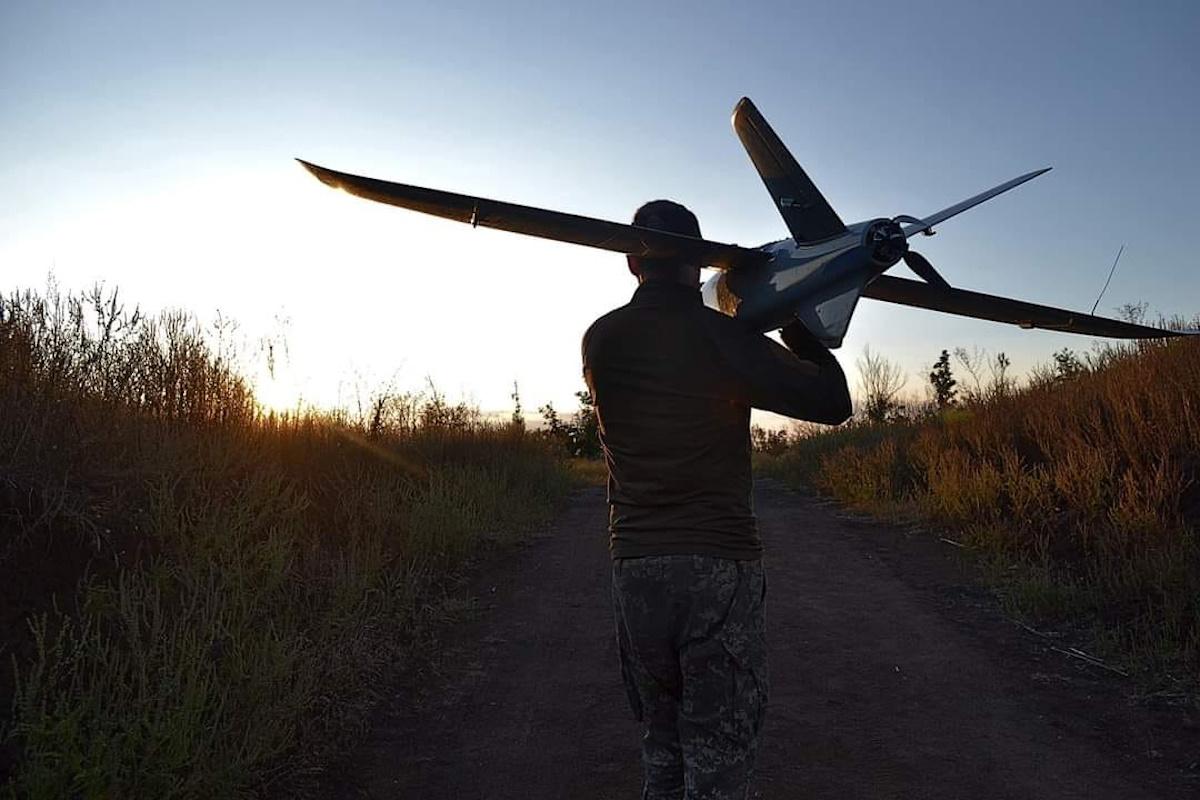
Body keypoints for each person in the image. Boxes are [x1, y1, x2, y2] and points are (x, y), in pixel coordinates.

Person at [582, 199, 852, 799]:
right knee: (719, 755)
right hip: (717, 564)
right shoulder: (724, 337)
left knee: (662, 746)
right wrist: (802, 335)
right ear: (701, 262)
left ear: (632, 261)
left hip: (635, 568)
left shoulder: (601, 339)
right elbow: (832, 404)